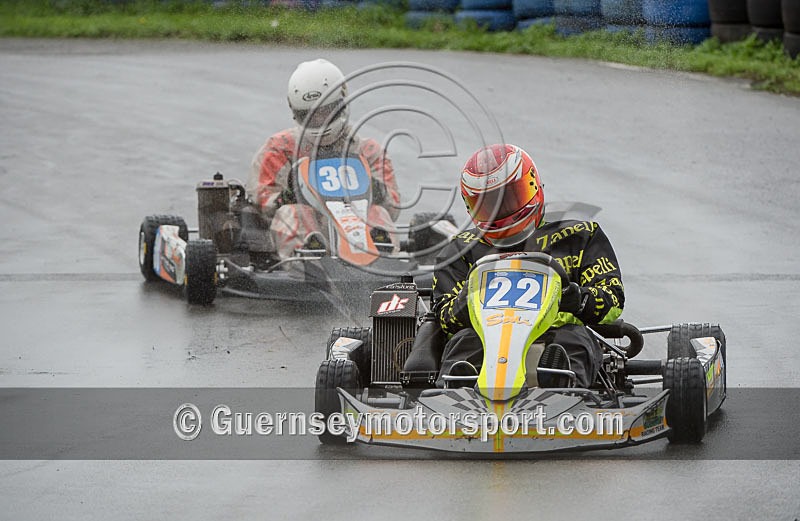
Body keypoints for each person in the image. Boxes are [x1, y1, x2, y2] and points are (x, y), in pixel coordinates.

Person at [432, 143, 624, 388]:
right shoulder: (460, 250)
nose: (503, 211)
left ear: (533, 185)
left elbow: (612, 299)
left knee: (574, 340)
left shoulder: (578, 235)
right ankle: (456, 393)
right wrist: (466, 300)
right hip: (486, 338)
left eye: (510, 197)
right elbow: (444, 320)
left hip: (556, 334)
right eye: (489, 204)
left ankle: (563, 390)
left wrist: (576, 298)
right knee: (464, 342)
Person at [247, 58, 401, 259]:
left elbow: (393, 207)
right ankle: (309, 253)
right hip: (309, 230)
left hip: (355, 225)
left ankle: (382, 257)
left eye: (326, 112)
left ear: (341, 104)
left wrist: (377, 190)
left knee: (378, 213)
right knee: (293, 213)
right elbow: (260, 201)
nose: (319, 121)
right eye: (310, 115)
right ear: (296, 113)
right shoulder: (280, 149)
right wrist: (285, 198)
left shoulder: (367, 151)